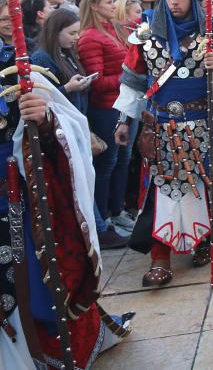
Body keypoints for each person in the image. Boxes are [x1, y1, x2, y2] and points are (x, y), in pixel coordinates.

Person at [113, 0, 213, 288]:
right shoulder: (145, 37)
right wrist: (123, 121)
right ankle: (159, 257)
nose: (174, 1)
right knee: (160, 194)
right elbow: (132, 83)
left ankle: (204, 241)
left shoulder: (212, 34)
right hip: (161, 127)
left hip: (204, 124)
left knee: (202, 189)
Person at [0, 57, 133, 368]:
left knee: (31, 289)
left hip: (16, 211)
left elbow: (71, 128)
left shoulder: (16, 72)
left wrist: (45, 119)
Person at [78, 0, 135, 237]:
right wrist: (128, 78)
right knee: (108, 164)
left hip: (125, 104)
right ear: (94, 5)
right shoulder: (90, 36)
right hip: (107, 109)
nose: (114, 5)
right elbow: (97, 81)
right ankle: (104, 218)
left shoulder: (113, 29)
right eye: (109, 2)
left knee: (123, 161)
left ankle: (118, 211)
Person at [30, 8, 92, 114]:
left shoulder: (66, 52)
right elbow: (42, 96)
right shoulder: (41, 58)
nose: (77, 37)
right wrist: (68, 88)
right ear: (55, 33)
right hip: (60, 123)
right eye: (72, 33)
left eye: (77, 32)